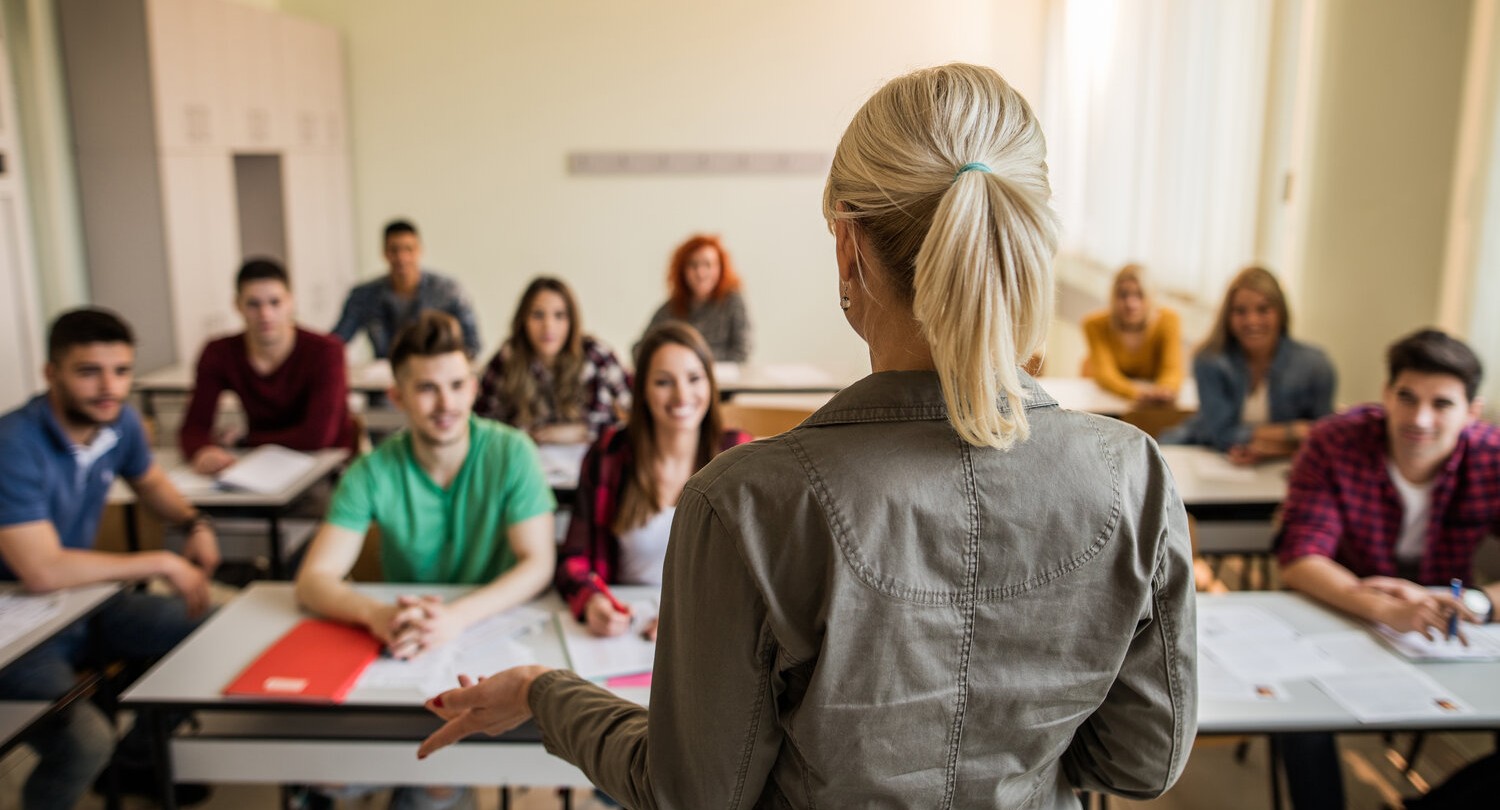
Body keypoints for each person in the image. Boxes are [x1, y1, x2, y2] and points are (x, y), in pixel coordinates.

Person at [419, 63, 1196, 809]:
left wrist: (542, 693)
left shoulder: (746, 502)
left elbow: (692, 792)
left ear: (847, 246)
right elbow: (1140, 761)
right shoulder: (1134, 476)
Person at [295, 310, 556, 810]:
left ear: (475, 387)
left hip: (485, 634)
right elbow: (314, 579)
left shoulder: (511, 452)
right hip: (404, 640)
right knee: (332, 774)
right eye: (427, 389)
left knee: (434, 787)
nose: (446, 404)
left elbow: (537, 563)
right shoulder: (373, 470)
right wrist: (375, 613)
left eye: (457, 385)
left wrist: (455, 617)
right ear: (396, 397)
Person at [0, 308, 222, 809]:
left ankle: (137, 758)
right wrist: (161, 562)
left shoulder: (117, 421)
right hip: (17, 634)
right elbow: (41, 569)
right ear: (50, 374)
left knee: (209, 626)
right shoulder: (13, 443)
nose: (109, 387)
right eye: (88, 371)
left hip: (81, 605)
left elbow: (151, 484)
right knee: (84, 741)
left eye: (121, 371)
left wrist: (194, 523)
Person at [1275, 329, 1500, 810]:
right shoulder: (1336, 440)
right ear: (1385, 394)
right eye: (1407, 398)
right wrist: (1379, 604)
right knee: (1299, 720)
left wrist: (1476, 602)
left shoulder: (1491, 457)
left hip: (1447, 624)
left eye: (1441, 404)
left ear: (1471, 413)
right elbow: (1301, 558)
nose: (1420, 419)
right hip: (1342, 612)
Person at [555, 323, 752, 638]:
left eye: (694, 379)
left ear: (711, 384)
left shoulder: (740, 454)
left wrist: (693, 613)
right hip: (625, 629)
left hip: (712, 631)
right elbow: (573, 558)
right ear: (642, 390)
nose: (681, 395)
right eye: (663, 382)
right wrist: (591, 600)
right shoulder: (608, 454)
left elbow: (759, 573)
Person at [180, 258, 357, 475]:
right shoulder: (219, 352)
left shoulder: (326, 351)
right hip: (259, 465)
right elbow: (194, 427)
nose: (265, 314)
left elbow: (317, 436)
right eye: (253, 304)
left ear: (291, 302)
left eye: (275, 303)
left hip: (325, 465)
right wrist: (202, 451)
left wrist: (245, 440)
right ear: (237, 305)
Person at [1164, 265, 1335, 464]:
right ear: (1228, 317)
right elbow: (1220, 433)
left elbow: (1323, 438)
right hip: (1204, 453)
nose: (1252, 320)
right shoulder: (1209, 360)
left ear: (1280, 312)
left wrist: (1270, 450)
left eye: (1263, 309)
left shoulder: (1315, 365)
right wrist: (1293, 431)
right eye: (1240, 311)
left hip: (1280, 467)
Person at [474, 277, 631, 445]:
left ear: (571, 321)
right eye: (538, 315)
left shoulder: (597, 356)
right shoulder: (507, 358)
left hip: (589, 459)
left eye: (559, 315)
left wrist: (577, 432)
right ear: (523, 320)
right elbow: (483, 422)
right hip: (527, 459)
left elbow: (631, 413)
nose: (548, 326)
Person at [331, 220, 481, 359]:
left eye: (408, 249)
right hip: (383, 380)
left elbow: (472, 345)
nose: (402, 258)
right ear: (384, 253)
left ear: (419, 250)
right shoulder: (364, 295)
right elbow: (336, 341)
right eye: (394, 250)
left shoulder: (447, 291)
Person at [1080, 263, 1184, 404]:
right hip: (1106, 399)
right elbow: (1106, 375)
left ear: (1150, 298)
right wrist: (1137, 393)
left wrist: (1165, 390)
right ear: (1113, 297)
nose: (1131, 303)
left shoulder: (1169, 321)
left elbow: (1172, 369)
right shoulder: (1094, 325)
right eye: (1123, 295)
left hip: (1147, 402)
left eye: (1139, 295)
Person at [640, 234, 751, 363]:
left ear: (720, 268)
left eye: (708, 265)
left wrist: (690, 358)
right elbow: (640, 349)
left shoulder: (733, 303)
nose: (700, 273)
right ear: (682, 271)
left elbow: (742, 351)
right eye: (693, 265)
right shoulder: (670, 309)